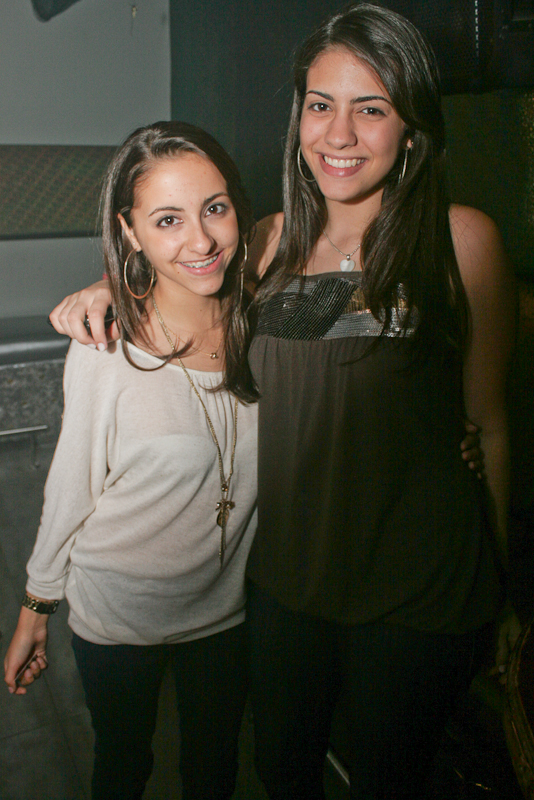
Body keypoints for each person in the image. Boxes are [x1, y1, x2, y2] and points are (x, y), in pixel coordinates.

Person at [44, 5, 510, 798]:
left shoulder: (461, 240)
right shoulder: (262, 243)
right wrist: (109, 284)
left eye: (372, 108)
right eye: (321, 104)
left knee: (388, 780)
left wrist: (500, 590)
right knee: (282, 772)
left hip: (419, 590)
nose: (340, 134)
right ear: (299, 117)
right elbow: (179, 267)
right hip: (285, 584)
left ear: (411, 126)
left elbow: (490, 424)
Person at [3, 121, 259, 800]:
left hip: (227, 610)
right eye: (167, 220)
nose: (201, 241)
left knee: (215, 767)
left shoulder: (264, 322)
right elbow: (71, 488)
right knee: (123, 765)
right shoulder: (105, 348)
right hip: (119, 616)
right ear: (130, 231)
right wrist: (34, 611)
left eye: (214, 208)